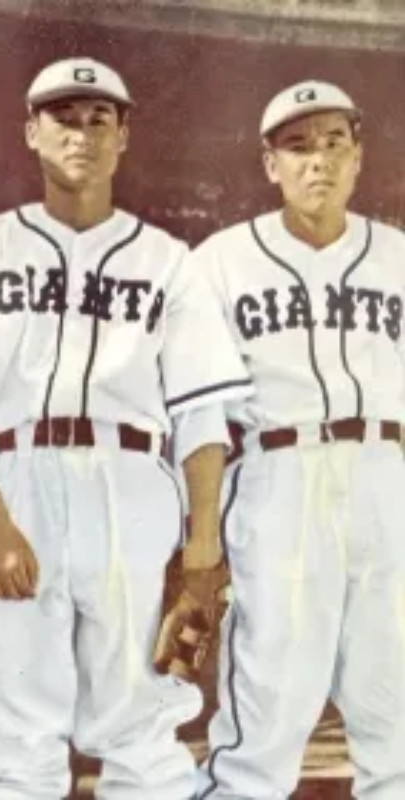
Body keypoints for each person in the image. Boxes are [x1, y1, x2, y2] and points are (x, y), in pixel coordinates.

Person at [0, 57, 252, 799]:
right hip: (16, 475)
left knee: (143, 725)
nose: (81, 133)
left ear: (122, 136)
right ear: (31, 133)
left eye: (99, 119)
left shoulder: (168, 261)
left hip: (131, 482)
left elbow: (200, 412)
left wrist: (202, 545)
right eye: (63, 119)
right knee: (11, 731)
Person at [194, 80, 405, 800]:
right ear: (270, 163)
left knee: (395, 711)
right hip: (279, 472)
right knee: (267, 710)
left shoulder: (397, 256)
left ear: (358, 156)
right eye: (297, 146)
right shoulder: (219, 261)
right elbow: (198, 409)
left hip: (385, 471)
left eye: (333, 143)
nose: (318, 160)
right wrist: (199, 536)